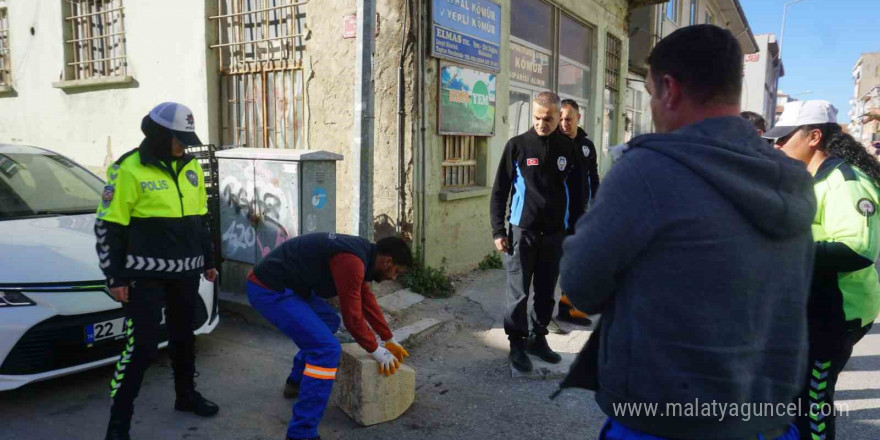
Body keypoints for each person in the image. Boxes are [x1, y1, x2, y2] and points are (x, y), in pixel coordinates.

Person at [559, 25, 815, 440]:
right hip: (766, 416)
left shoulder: (646, 170)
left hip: (664, 416)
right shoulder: (790, 177)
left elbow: (581, 286)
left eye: (650, 93)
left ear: (669, 89)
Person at [96, 102, 219, 440]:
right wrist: (114, 276)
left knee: (184, 337)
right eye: (178, 138)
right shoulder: (128, 169)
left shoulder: (191, 167)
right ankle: (118, 423)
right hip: (144, 275)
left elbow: (200, 219)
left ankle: (186, 396)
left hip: (186, 272)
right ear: (159, 134)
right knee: (143, 346)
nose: (183, 145)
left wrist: (208, 261)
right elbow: (109, 226)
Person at [765, 100, 880, 440]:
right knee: (794, 400)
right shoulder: (810, 178)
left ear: (814, 136)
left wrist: (784, 251)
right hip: (810, 308)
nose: (777, 145)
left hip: (835, 313)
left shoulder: (846, 182)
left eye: (784, 138)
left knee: (812, 405)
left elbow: (857, 250)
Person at [246, 232, 413, 440]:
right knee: (326, 350)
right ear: (387, 261)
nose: (393, 277)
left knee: (329, 322)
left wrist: (388, 338)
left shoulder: (362, 253)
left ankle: (295, 383)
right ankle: (302, 433)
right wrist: (375, 350)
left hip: (293, 287)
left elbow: (365, 298)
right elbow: (352, 318)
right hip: (269, 289)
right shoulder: (352, 260)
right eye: (396, 271)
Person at [489, 91, 581, 373]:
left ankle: (538, 338)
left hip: (555, 234)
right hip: (522, 232)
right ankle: (517, 344)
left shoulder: (568, 147)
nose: (542, 123)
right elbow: (500, 191)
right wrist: (498, 231)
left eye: (549, 119)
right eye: (538, 118)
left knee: (545, 290)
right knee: (518, 292)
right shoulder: (517, 146)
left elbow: (577, 193)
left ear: (558, 115)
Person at [557, 99, 599, 327]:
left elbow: (593, 177)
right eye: (561, 119)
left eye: (568, 119)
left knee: (576, 265)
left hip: (580, 216)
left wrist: (598, 206)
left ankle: (567, 309)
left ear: (578, 118)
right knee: (552, 265)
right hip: (555, 217)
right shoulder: (553, 143)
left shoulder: (587, 146)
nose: (564, 123)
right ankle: (538, 315)